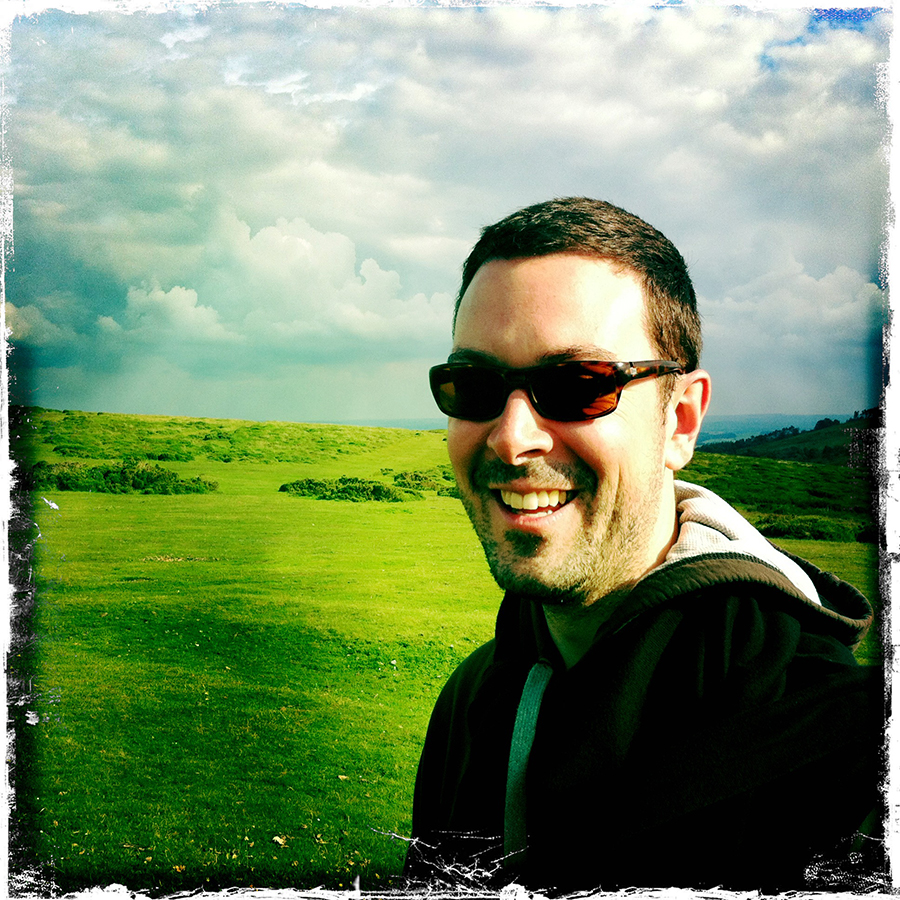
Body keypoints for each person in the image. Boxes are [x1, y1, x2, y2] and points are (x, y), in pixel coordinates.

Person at [403, 197, 884, 892]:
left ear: (681, 420)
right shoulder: (474, 701)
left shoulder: (843, 751)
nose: (511, 438)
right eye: (474, 386)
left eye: (578, 385)